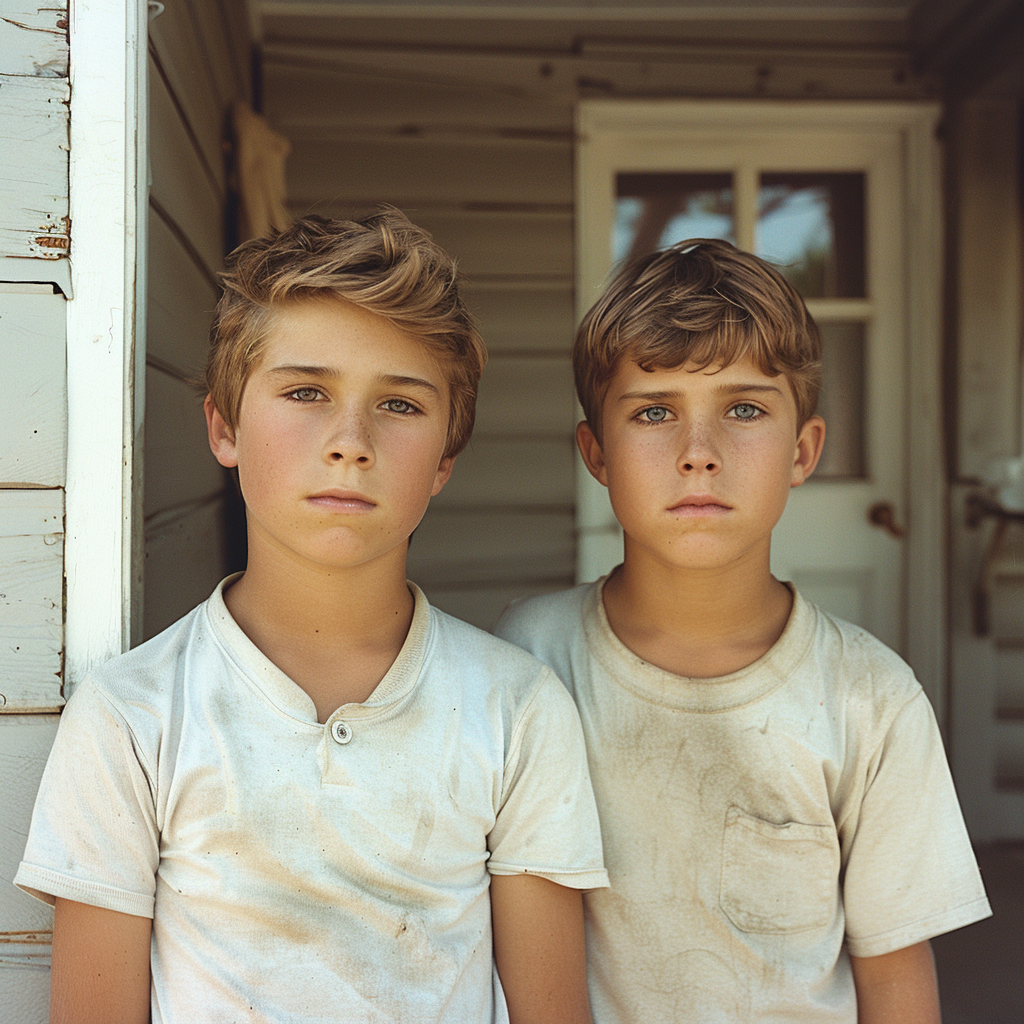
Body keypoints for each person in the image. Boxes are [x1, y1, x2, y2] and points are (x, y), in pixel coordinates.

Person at [16, 210, 607, 1024]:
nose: (349, 441)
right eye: (305, 392)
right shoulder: (132, 717)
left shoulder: (517, 709)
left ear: (444, 459)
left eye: (398, 405)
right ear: (224, 426)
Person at [496, 238, 990, 1023]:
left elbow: (894, 975)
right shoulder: (527, 661)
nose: (699, 454)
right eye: (654, 411)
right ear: (595, 452)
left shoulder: (871, 698)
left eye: (744, 409)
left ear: (802, 451)